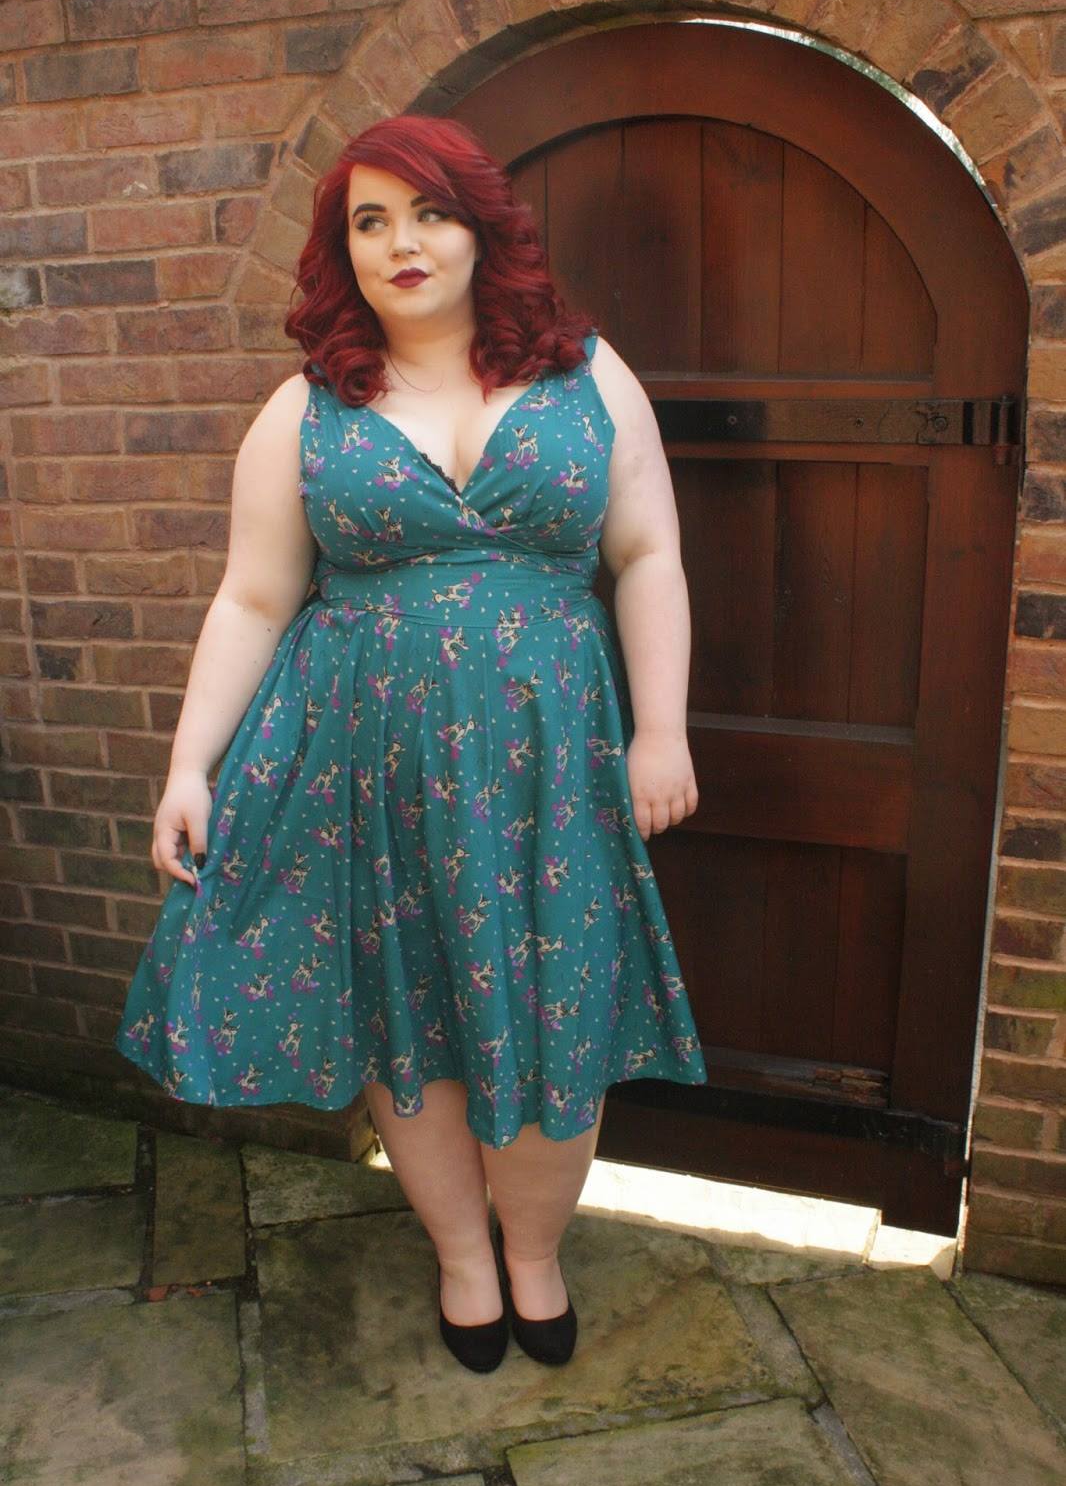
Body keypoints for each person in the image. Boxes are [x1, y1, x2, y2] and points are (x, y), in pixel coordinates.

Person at [114, 113, 707, 1372]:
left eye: (429, 211)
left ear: (482, 228)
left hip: (550, 765)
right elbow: (253, 599)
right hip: (364, 768)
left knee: (553, 1006)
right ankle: (461, 1257)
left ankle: (533, 1252)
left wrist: (661, 728)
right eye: (369, 221)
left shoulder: (589, 377)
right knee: (410, 1014)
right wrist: (187, 765)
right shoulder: (306, 410)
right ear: (344, 251)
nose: (402, 242)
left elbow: (649, 550)